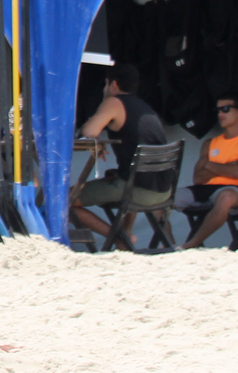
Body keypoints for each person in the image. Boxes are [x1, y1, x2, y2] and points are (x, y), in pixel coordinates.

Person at [70, 62, 171, 248]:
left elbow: (88, 132)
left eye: (105, 84)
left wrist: (93, 132)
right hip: (163, 191)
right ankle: (124, 240)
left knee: (64, 200)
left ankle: (120, 238)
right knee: (123, 176)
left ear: (113, 84)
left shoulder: (114, 102)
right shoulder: (143, 107)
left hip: (136, 190)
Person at [176, 93, 238, 249]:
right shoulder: (209, 143)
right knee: (161, 198)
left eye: (225, 109)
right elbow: (198, 178)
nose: (220, 114)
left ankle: (191, 244)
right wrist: (231, 165)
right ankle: (168, 243)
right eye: (217, 110)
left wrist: (210, 165)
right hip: (203, 189)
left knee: (226, 197)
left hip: (235, 190)